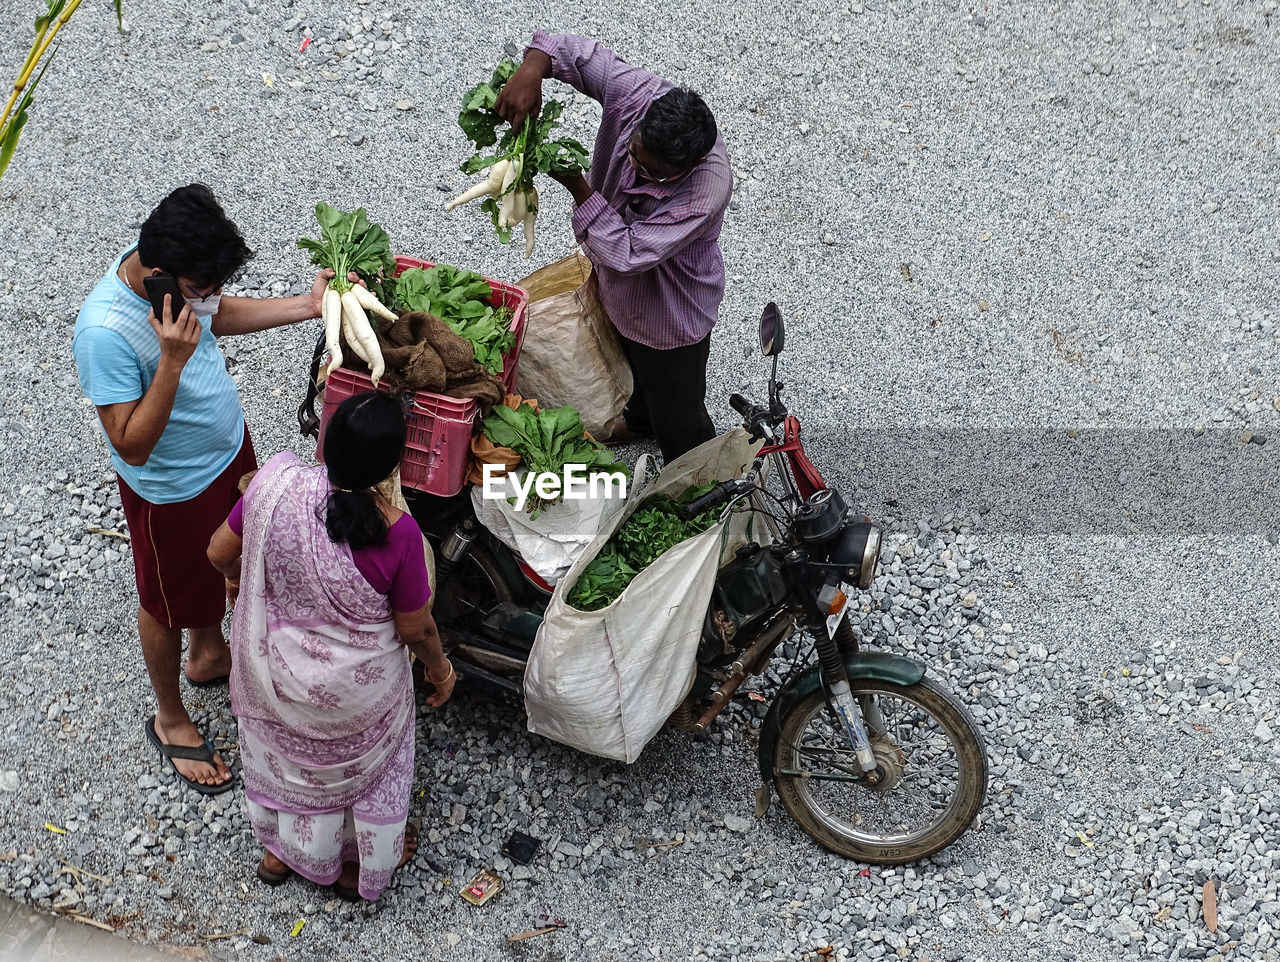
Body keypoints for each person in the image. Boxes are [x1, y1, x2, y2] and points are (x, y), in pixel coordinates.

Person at [72, 183, 343, 794]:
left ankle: (209, 654)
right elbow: (130, 444)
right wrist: (169, 362)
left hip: (227, 453)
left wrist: (305, 304)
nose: (210, 300)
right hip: (173, 492)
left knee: (233, 566)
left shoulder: (171, 281)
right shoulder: (104, 332)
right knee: (168, 601)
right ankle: (170, 718)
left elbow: (218, 313)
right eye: (201, 288)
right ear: (163, 276)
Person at [207, 391, 455, 902]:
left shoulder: (274, 488)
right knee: (373, 761)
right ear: (391, 466)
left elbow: (217, 553)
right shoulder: (399, 533)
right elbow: (417, 630)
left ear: (325, 440)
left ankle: (280, 851)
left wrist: (237, 583)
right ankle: (350, 867)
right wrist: (440, 671)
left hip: (276, 680)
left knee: (288, 757)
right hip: (355, 702)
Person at [496, 32, 733, 462]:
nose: (634, 169)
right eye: (633, 152)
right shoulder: (639, 95)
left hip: (671, 311)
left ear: (685, 168)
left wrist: (578, 186)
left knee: (677, 408)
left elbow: (626, 253)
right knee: (629, 361)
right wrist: (532, 69)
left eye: (651, 171)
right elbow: (568, 50)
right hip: (620, 293)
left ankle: (697, 476)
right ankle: (640, 419)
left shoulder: (706, 188)